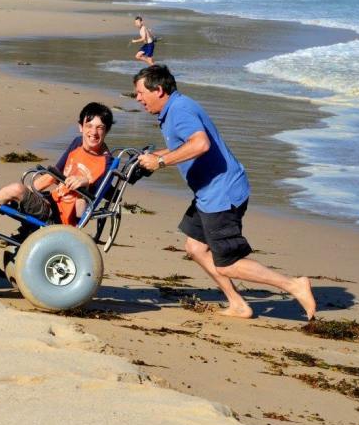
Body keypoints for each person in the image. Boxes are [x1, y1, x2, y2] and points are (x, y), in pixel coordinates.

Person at [132, 65, 316, 320]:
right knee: (196, 248)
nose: (138, 98)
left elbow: (200, 144)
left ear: (159, 90)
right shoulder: (173, 109)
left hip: (222, 195)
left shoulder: (180, 110)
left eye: (141, 93)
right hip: (209, 193)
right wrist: (153, 156)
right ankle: (238, 304)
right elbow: (185, 146)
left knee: (228, 263)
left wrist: (161, 162)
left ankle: (294, 285)